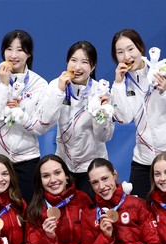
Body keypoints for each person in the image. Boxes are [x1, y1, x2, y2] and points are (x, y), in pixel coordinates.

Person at [110, 28, 166, 199]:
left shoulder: (164, 70)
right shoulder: (122, 82)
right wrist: (118, 85)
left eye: (130, 49)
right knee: (137, 216)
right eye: (120, 52)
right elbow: (123, 118)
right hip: (144, 160)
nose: (126, 56)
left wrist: (165, 92)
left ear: (141, 48)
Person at [39, 41, 115, 200]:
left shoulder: (100, 91)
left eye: (84, 62)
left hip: (93, 169)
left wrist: (99, 113)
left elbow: (104, 137)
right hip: (64, 168)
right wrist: (60, 91)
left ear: (93, 67)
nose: (77, 67)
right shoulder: (56, 85)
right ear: (67, 62)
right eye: (73, 60)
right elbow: (46, 121)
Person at [0, 30, 49, 202]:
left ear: (29, 53)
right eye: (9, 49)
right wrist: (3, 85)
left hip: (26, 158)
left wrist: (20, 112)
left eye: (20, 50)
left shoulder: (39, 84)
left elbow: (39, 126)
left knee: (27, 213)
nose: (13, 55)